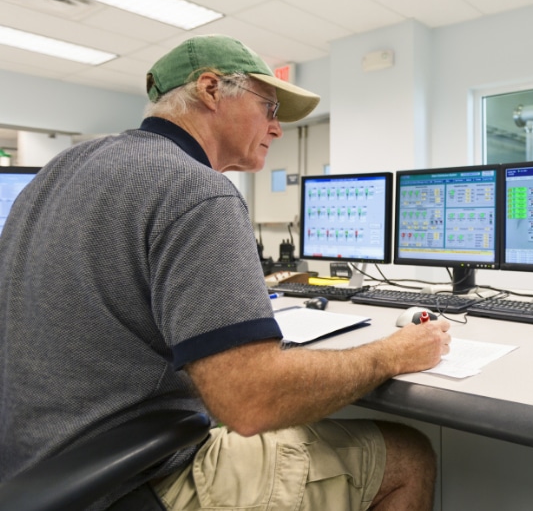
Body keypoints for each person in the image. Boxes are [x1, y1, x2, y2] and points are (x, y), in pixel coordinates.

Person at [0, 34, 451, 511]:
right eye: (270, 109)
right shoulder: (196, 190)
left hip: (33, 471)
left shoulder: (60, 169)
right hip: (134, 481)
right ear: (211, 90)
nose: (276, 129)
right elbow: (252, 402)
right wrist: (393, 355)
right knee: (409, 456)